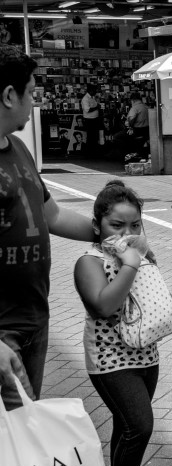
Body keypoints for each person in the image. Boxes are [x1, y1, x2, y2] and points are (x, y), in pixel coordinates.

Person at [74, 179, 172, 466]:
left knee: (126, 425)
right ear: (97, 225)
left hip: (146, 356)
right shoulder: (88, 262)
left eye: (135, 225)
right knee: (140, 426)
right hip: (109, 360)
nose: (126, 233)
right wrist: (130, 264)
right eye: (116, 225)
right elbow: (104, 304)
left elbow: (162, 296)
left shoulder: (142, 258)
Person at [0, 45, 95, 410]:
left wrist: (111, 232)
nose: (35, 101)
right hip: (1, 333)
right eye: (32, 91)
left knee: (22, 441)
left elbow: (52, 216)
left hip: (32, 321)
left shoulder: (19, 150)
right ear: (10, 95)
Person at [81, 83, 100, 156]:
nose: (95, 91)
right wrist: (97, 107)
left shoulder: (92, 97)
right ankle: (90, 153)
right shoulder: (85, 99)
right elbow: (87, 110)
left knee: (94, 136)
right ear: (91, 91)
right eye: (94, 90)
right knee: (90, 137)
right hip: (89, 120)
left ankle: (93, 151)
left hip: (94, 119)